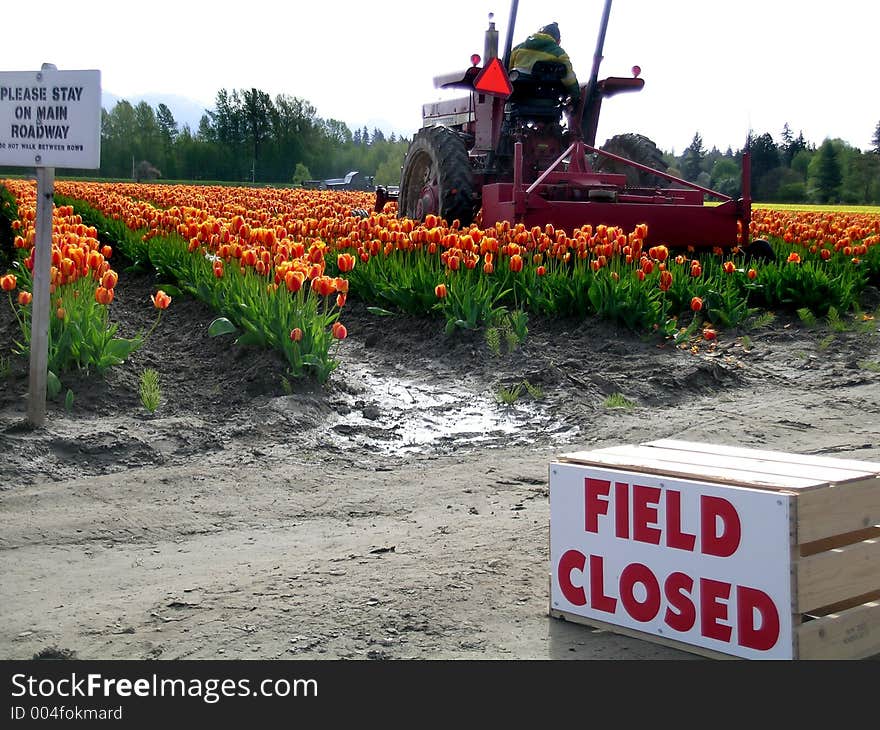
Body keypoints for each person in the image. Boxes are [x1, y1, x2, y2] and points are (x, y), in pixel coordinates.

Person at [508, 22, 581, 108]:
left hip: (519, 99)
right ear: (558, 41)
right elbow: (570, 79)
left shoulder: (518, 48)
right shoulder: (559, 53)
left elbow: (507, 72)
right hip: (547, 102)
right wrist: (576, 96)